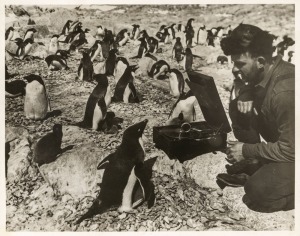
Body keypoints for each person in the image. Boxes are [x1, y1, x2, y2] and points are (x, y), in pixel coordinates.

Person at [216, 23, 295, 213]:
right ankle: (261, 164)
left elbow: (292, 150)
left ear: (260, 61)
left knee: (258, 191)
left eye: (240, 64)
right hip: (289, 144)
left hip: (293, 151)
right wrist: (245, 93)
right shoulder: (265, 72)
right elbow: (252, 85)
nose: (234, 69)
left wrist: (247, 150)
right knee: (239, 106)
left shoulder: (285, 92)